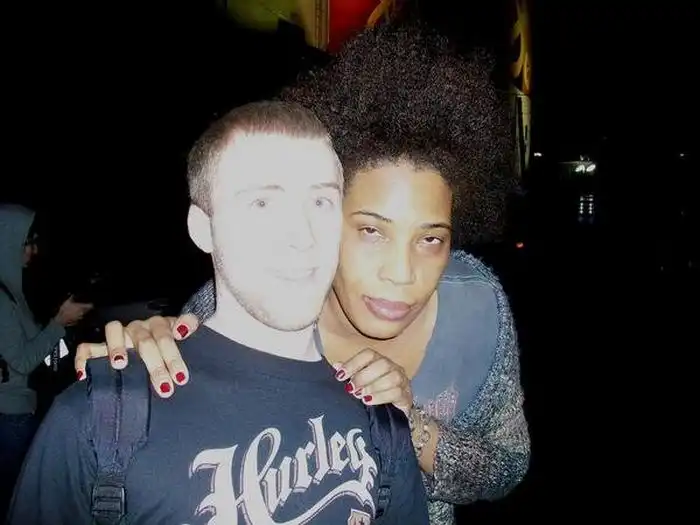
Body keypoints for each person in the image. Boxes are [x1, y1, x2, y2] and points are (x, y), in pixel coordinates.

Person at [75, 22, 530, 525]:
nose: (402, 274)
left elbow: (507, 466)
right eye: (371, 231)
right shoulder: (248, 300)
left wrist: (411, 426)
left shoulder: (477, 308)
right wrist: (148, 353)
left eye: (430, 239)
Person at [8, 102, 428, 525]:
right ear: (202, 228)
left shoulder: (379, 422)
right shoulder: (104, 419)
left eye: (321, 201)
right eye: (262, 203)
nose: (302, 236)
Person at [0, 204, 93, 518]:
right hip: (9, 416)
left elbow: (26, 348)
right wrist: (58, 323)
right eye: (27, 242)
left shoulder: (11, 293)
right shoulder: (1, 299)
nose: (34, 250)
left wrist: (58, 324)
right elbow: (22, 361)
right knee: (20, 503)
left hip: (18, 411)